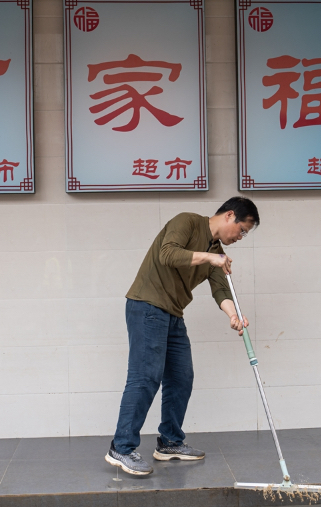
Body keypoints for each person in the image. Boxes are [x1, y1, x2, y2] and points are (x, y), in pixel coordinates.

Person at [105, 196, 260, 475]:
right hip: (147, 306)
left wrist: (233, 315)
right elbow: (168, 253)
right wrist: (211, 257)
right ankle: (122, 448)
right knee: (145, 377)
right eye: (243, 229)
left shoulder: (216, 250)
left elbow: (221, 289)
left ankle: (170, 442)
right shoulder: (187, 221)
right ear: (229, 215)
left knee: (181, 377)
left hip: (173, 314)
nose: (241, 236)